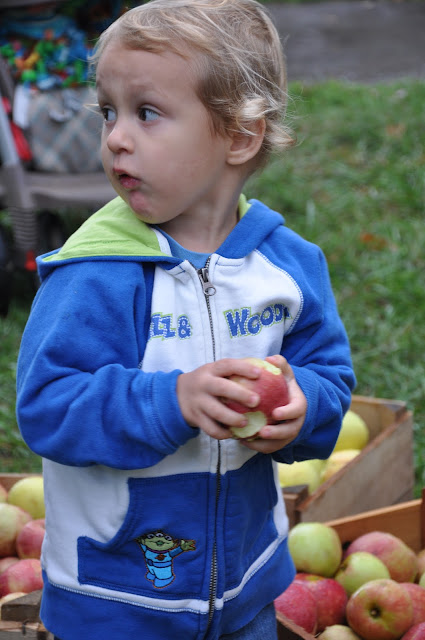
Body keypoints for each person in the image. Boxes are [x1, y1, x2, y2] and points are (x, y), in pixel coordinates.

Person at [15, 1, 356, 639]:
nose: (116, 137)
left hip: (247, 589)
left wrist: (302, 406)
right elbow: (49, 405)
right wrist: (171, 400)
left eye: (146, 113)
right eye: (109, 111)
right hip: (117, 600)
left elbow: (330, 376)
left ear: (240, 135)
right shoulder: (97, 272)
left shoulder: (286, 267)